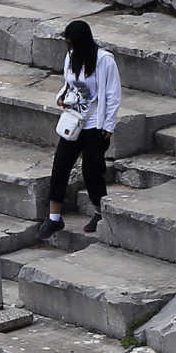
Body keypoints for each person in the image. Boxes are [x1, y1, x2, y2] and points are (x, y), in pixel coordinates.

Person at [45, 19, 120, 238]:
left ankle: (100, 211)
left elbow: (112, 95)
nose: (70, 48)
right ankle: (54, 218)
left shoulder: (105, 61)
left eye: (72, 43)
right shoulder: (71, 57)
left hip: (94, 124)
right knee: (60, 166)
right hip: (73, 119)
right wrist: (61, 98)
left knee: (92, 170)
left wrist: (109, 125)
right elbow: (67, 84)